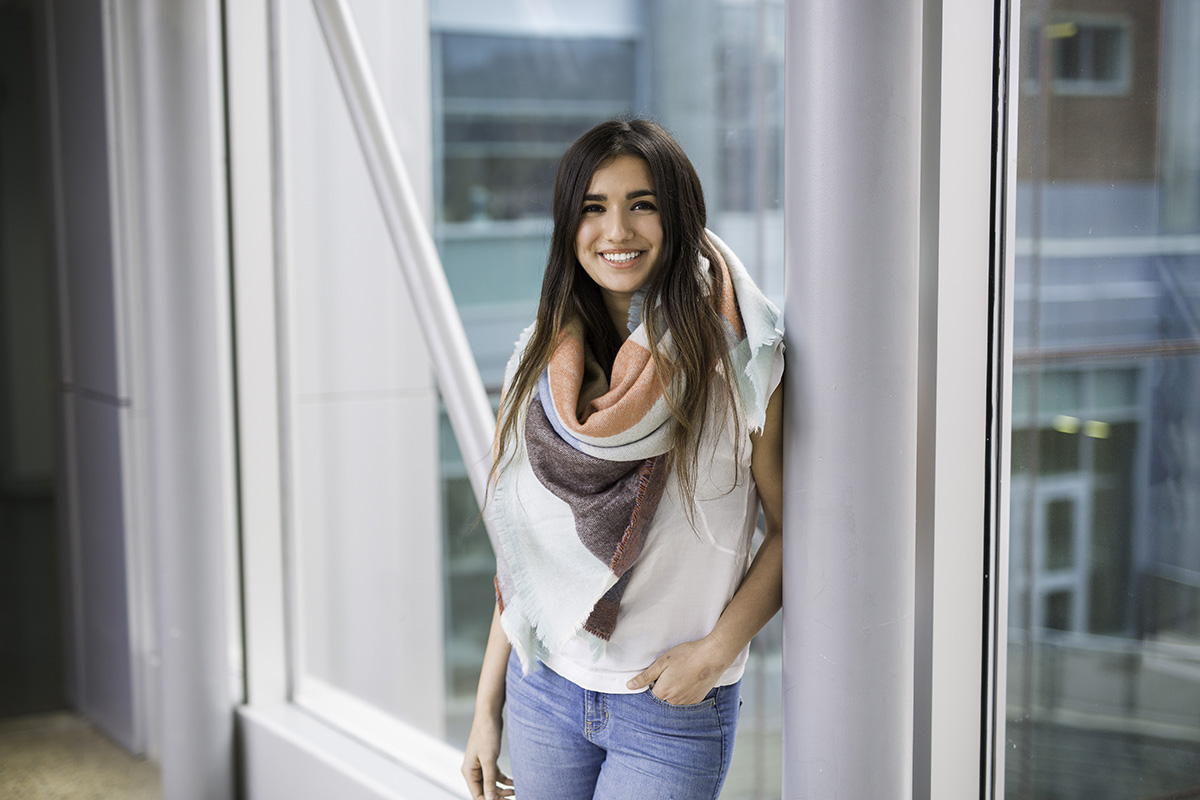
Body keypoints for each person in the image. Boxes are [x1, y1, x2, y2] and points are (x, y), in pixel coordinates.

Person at [461, 118, 784, 800]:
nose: (617, 231)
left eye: (643, 204)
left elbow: (794, 530)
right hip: (544, 687)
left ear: (679, 214)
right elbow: (524, 554)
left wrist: (716, 652)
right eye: (593, 208)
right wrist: (486, 706)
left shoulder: (743, 359)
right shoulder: (542, 367)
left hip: (668, 708)